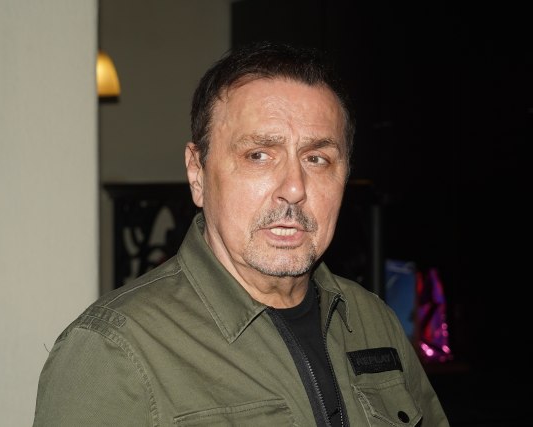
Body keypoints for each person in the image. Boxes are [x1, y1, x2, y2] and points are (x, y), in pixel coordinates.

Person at [33, 41, 449, 426]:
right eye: (259, 155)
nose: (294, 188)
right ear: (197, 173)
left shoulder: (372, 320)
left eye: (317, 158)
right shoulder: (114, 351)